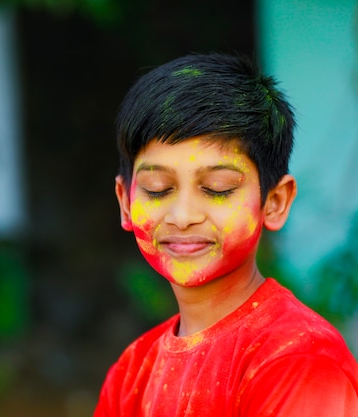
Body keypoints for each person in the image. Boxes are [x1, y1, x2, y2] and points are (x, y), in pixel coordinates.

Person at [94, 53, 358, 416]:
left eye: (218, 188)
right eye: (157, 189)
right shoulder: (132, 372)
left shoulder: (298, 358)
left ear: (275, 202)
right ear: (126, 202)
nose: (183, 216)